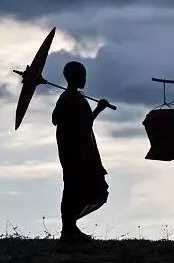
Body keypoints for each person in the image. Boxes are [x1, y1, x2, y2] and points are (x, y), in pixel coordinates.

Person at [52, 61, 110, 242]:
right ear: (73, 77)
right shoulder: (68, 98)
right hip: (76, 152)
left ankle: (70, 227)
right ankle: (68, 229)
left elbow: (80, 123)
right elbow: (74, 123)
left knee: (80, 188)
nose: (85, 78)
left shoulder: (72, 97)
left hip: (81, 150)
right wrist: (98, 109)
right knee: (74, 188)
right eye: (82, 75)